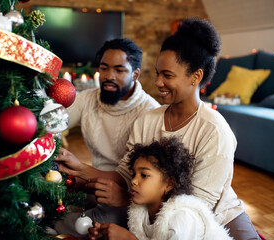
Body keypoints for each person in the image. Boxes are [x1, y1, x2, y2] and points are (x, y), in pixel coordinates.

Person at [56, 18, 260, 239]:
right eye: (157, 73)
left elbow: (194, 210)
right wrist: (79, 168)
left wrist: (126, 200)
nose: (158, 82)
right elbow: (125, 174)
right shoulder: (148, 120)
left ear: (196, 76)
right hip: (152, 214)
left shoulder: (214, 130)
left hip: (214, 219)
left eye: (168, 75)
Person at [54, 38, 160, 237]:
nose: (109, 76)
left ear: (135, 74)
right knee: (50, 196)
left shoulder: (149, 112)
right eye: (104, 68)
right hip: (92, 183)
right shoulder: (87, 99)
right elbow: (55, 121)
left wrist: (81, 170)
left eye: (119, 70)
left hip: (128, 194)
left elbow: (129, 177)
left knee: (89, 226)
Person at [87, 137, 232, 240]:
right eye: (133, 174)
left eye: (144, 175)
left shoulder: (183, 218)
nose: (134, 181)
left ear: (169, 184)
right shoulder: (140, 214)